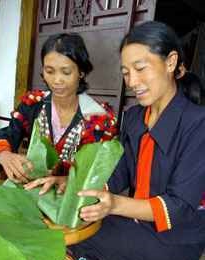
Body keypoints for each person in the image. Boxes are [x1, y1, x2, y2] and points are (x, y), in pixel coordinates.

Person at [68, 21, 205, 260]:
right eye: (126, 73)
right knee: (74, 227)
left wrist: (115, 205)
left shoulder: (197, 124)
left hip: (176, 235)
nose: (131, 82)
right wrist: (89, 189)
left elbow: (180, 207)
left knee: (81, 242)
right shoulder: (134, 117)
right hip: (132, 218)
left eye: (140, 68)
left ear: (170, 62)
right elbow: (119, 169)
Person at [0, 33, 117, 194]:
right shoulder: (33, 104)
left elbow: (102, 171)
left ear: (81, 72)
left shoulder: (99, 119)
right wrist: (3, 155)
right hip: (29, 191)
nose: (57, 80)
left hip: (72, 197)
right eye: (50, 71)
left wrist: (69, 180)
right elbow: (7, 134)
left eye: (66, 72)